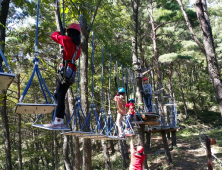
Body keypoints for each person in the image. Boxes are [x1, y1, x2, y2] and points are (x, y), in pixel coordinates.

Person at [44, 23, 81, 128]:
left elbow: (53, 36)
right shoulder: (78, 45)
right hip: (72, 72)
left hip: (66, 70)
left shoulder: (66, 39)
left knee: (60, 96)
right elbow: (76, 57)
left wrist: (61, 32)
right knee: (59, 94)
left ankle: (58, 121)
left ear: (69, 32)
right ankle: (57, 119)